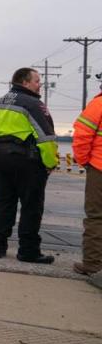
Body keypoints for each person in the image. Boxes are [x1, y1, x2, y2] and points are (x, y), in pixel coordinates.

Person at [0, 68, 58, 264]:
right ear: (25, 82)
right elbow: (46, 137)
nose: (39, 84)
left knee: (4, 203)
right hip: (26, 160)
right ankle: (28, 251)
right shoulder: (34, 104)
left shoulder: (0, 101)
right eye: (36, 81)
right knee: (31, 206)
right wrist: (51, 163)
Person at [72, 78, 102, 277]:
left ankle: (93, 264)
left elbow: (82, 136)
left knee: (96, 216)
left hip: (99, 167)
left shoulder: (98, 105)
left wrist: (85, 162)